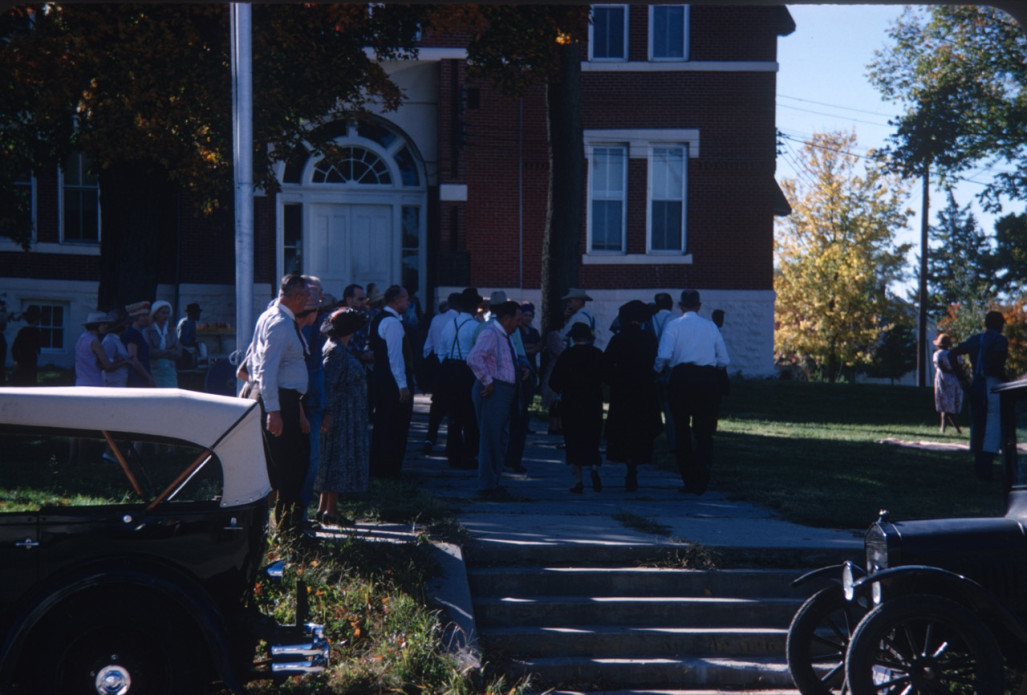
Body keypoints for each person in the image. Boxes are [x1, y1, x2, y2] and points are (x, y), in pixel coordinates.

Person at [248, 274, 312, 533]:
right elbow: (266, 368)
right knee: (290, 467)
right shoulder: (279, 323)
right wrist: (274, 411)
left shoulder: (273, 316)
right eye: (306, 297)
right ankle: (287, 529)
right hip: (278, 401)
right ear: (296, 298)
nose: (309, 302)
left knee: (290, 464)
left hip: (284, 400)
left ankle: (282, 524)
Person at [654, 290, 730, 495]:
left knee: (681, 429)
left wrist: (658, 369)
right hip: (707, 379)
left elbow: (664, 355)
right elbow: (723, 359)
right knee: (704, 431)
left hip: (682, 378)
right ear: (699, 305)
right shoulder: (710, 326)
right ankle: (703, 473)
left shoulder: (673, 326)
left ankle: (689, 477)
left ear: (680, 305)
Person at [316, 307, 369, 528]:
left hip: (345, 413)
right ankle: (331, 510)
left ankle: (324, 508)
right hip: (339, 415)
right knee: (336, 460)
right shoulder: (336, 351)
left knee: (334, 460)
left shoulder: (337, 348)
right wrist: (327, 413)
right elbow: (328, 383)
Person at [467, 300, 523, 499]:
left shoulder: (504, 336)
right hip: (494, 391)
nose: (519, 323)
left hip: (503, 390)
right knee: (490, 439)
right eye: (516, 320)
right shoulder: (491, 333)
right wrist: (487, 381)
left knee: (499, 438)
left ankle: (493, 483)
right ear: (506, 318)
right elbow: (474, 358)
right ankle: (487, 486)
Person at [604, 300, 662, 492]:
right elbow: (656, 362)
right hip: (644, 388)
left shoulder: (619, 339)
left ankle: (627, 460)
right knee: (641, 428)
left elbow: (606, 363)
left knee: (624, 427)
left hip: (623, 389)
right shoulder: (649, 339)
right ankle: (636, 461)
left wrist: (613, 380)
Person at [949, 311, 1009, 481]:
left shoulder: (976, 340)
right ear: (999, 324)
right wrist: (1007, 380)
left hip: (976, 384)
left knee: (978, 424)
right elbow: (994, 365)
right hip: (992, 385)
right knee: (992, 426)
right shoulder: (1000, 340)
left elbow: (953, 353)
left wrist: (962, 378)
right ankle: (986, 468)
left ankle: (979, 466)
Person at [549, 322, 605, 493]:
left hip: (572, 403)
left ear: (572, 337)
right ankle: (594, 468)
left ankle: (578, 479)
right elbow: (608, 376)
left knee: (573, 440)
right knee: (592, 438)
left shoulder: (567, 355)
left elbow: (554, 382)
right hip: (593, 402)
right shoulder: (597, 354)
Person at [368, 285, 416, 479]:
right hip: (392, 382)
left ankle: (380, 467)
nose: (408, 301)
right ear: (395, 301)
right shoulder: (393, 323)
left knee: (383, 423)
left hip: (381, 379)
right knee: (396, 426)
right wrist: (402, 385)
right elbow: (395, 357)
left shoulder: (378, 318)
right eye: (405, 298)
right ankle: (389, 469)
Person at [437, 287, 483, 470]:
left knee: (454, 414)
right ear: (474, 308)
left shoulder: (450, 323)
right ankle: (468, 455)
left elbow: (441, 349)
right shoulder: (475, 326)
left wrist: (446, 365)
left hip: (449, 368)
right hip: (467, 370)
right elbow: (479, 352)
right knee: (470, 415)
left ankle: (453, 452)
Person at [420, 293, 460, 454]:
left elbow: (427, 346)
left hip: (438, 363)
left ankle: (430, 436)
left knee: (437, 404)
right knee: (455, 405)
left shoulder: (437, 319)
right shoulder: (461, 321)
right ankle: (453, 442)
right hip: (455, 363)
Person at [75, 311, 125, 386]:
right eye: (103, 324)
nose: (106, 326)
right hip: (93, 382)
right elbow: (107, 366)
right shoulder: (95, 341)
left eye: (106, 324)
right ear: (95, 325)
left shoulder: (82, 338)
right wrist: (125, 362)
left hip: (80, 382)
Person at [144, 300, 182, 388]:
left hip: (170, 369)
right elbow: (148, 352)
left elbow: (178, 352)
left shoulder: (171, 332)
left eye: (167, 313)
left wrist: (159, 352)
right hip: (154, 370)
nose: (166, 316)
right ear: (156, 314)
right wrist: (168, 352)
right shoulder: (148, 331)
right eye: (163, 313)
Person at [932, 333, 964, 435]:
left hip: (943, 379)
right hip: (954, 380)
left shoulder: (938, 354)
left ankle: (948, 428)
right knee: (951, 404)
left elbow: (941, 367)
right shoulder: (954, 354)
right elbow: (960, 366)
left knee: (945, 404)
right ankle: (947, 428)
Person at [122, 301, 154, 387]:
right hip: (136, 378)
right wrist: (148, 377)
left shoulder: (138, 333)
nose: (146, 318)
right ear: (135, 317)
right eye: (143, 316)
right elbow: (133, 358)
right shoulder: (132, 333)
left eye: (147, 315)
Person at [10, 305, 42, 386]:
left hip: (22, 362)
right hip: (29, 362)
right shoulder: (36, 332)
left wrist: (16, 360)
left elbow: (14, 348)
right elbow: (38, 348)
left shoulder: (23, 331)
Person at [176, 302, 204, 369]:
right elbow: (183, 340)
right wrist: (194, 344)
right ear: (192, 313)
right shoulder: (187, 322)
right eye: (197, 312)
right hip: (185, 353)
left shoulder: (191, 322)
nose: (199, 315)